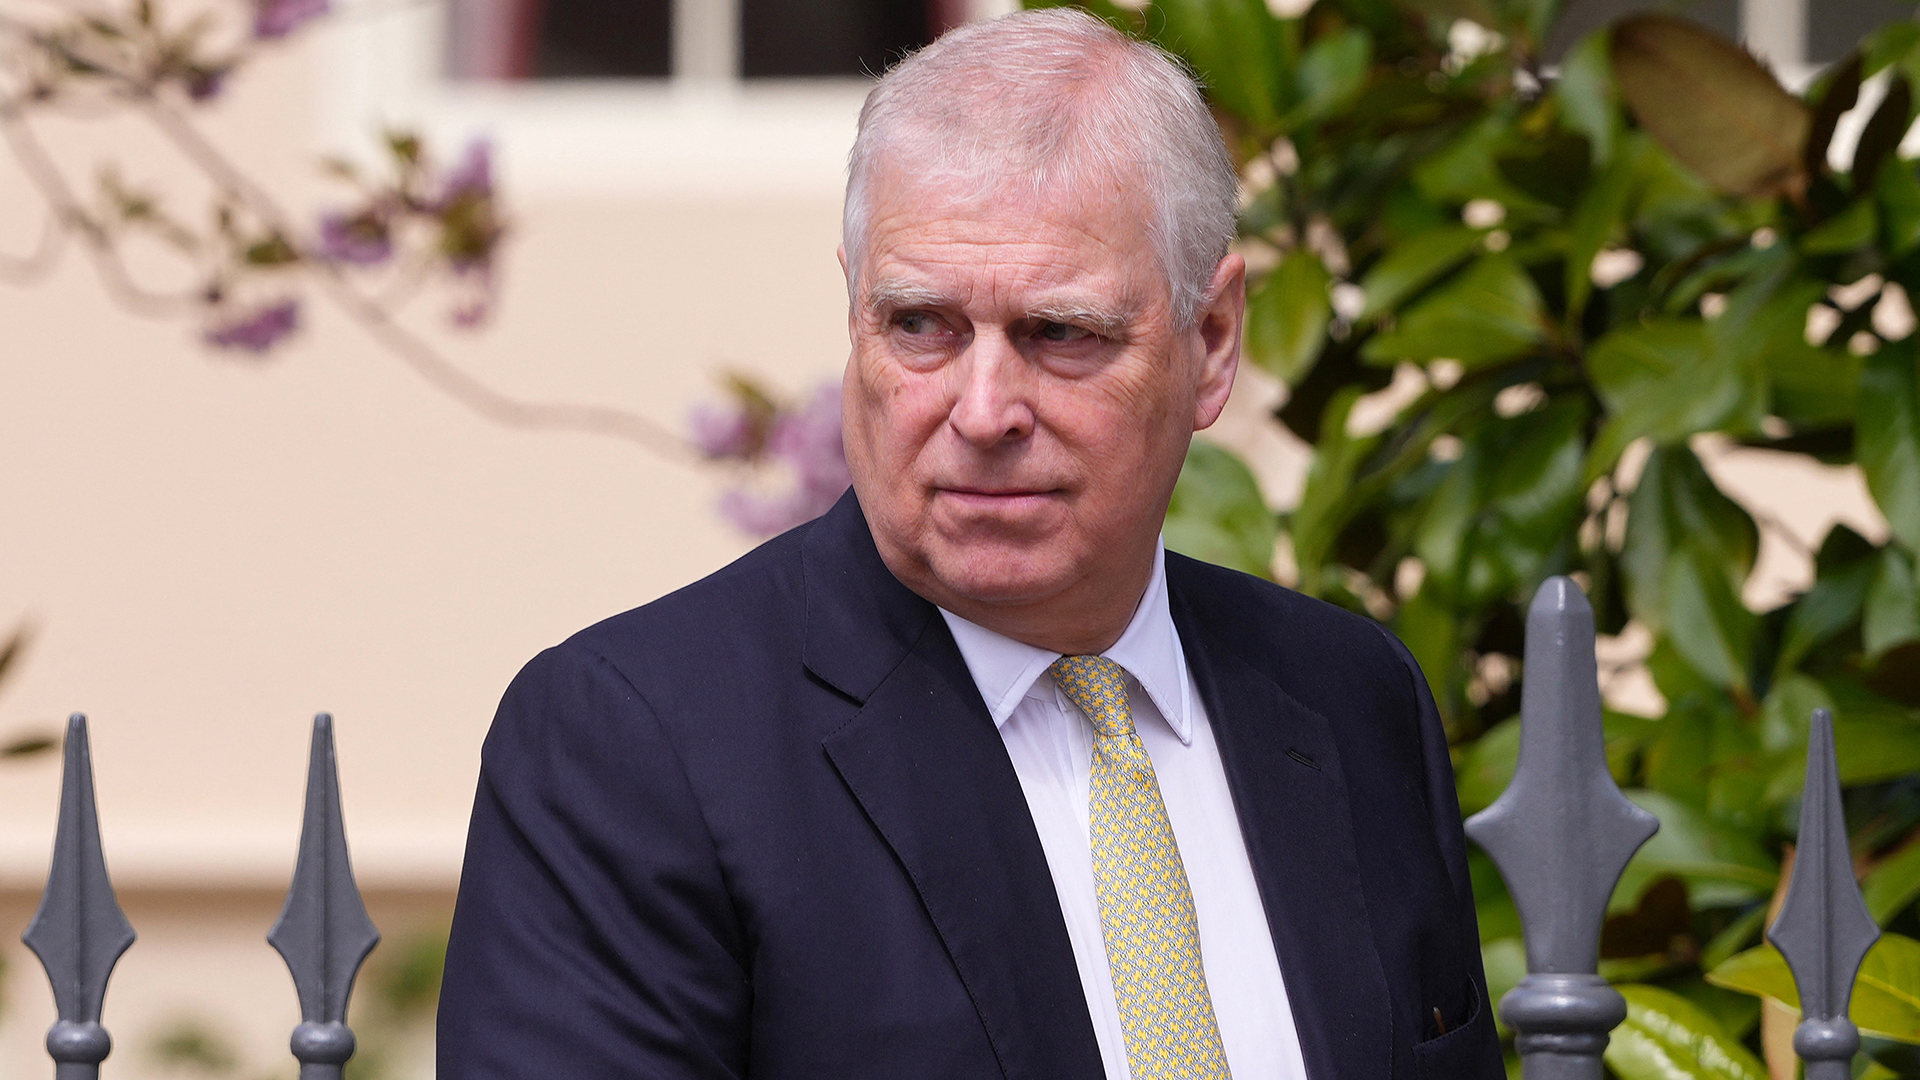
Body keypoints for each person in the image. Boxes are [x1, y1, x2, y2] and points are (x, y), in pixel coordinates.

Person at [437, 8, 1501, 1079]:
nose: (983, 410)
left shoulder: (1349, 698)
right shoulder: (637, 749)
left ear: (1213, 343)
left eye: (1060, 334)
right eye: (920, 326)